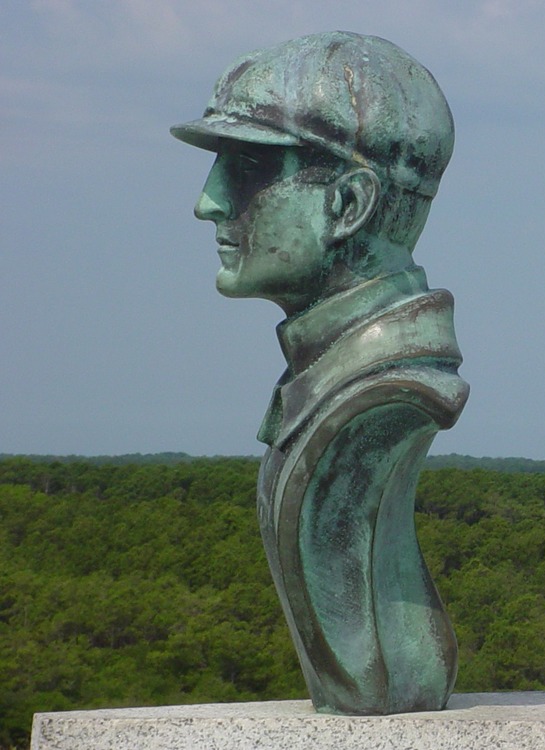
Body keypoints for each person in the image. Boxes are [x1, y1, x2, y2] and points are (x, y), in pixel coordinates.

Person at [171, 32, 468, 715]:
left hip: (381, 693)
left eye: (247, 167)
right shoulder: (329, 372)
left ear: (348, 205)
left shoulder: (384, 393)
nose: (208, 202)